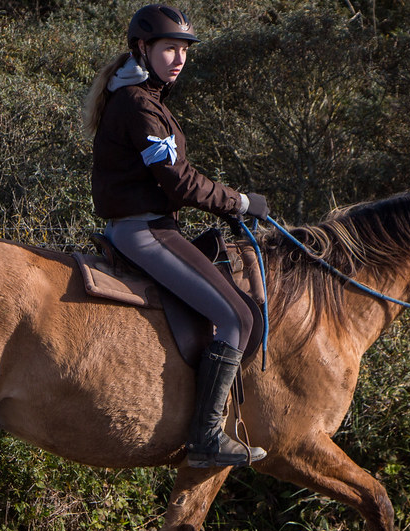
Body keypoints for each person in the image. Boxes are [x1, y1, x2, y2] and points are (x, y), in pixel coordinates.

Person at [82, 4, 269, 469]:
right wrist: (241, 203)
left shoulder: (140, 97)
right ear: (143, 48)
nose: (179, 58)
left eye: (184, 49)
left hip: (149, 225)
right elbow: (179, 181)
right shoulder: (138, 105)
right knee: (237, 318)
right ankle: (206, 437)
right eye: (169, 48)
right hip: (144, 231)